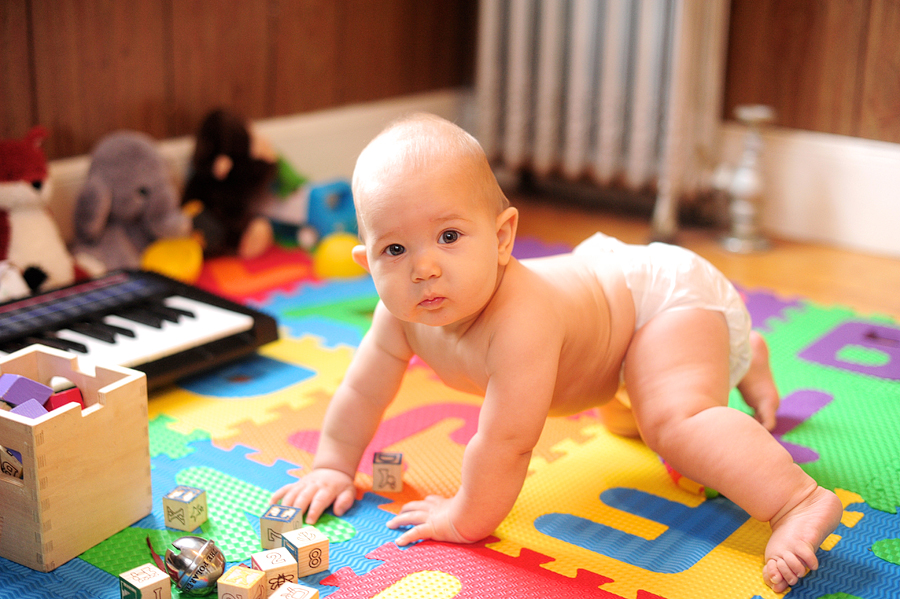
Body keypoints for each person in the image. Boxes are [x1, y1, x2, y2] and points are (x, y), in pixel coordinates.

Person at [271, 113, 842, 593]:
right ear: (366, 264)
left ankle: (797, 501)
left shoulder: (522, 319)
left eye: (449, 236)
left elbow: (509, 442)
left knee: (674, 423)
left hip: (660, 306)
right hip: (611, 344)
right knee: (629, 420)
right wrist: (331, 465)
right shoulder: (397, 317)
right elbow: (361, 390)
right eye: (394, 249)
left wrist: (465, 516)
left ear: (501, 238)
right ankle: (741, 356)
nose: (424, 268)